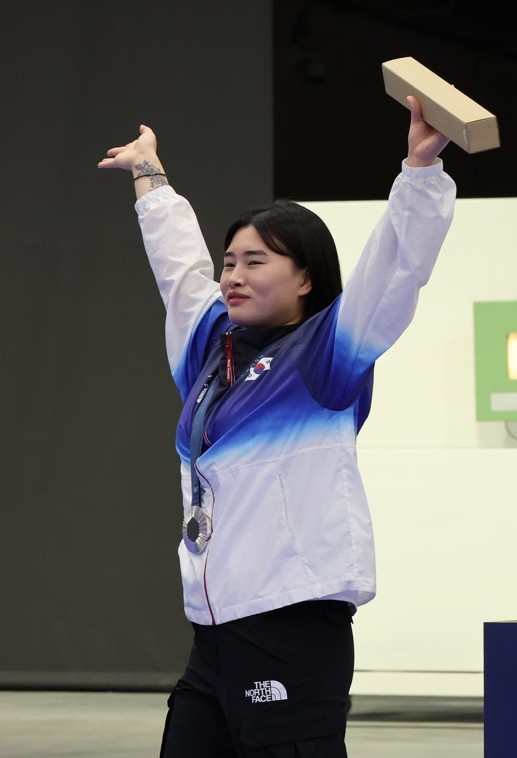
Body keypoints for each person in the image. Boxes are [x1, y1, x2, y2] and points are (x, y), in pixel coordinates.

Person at [98, 95, 456, 757]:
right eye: (231, 260)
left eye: (256, 261)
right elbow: (178, 268)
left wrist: (419, 172)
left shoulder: (330, 351)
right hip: (214, 632)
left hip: (294, 625)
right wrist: (150, 176)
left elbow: (397, 270)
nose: (233, 275)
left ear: (305, 280)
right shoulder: (209, 348)